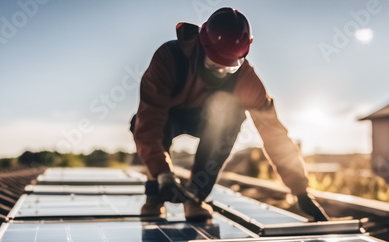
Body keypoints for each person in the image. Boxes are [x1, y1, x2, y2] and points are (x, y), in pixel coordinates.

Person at [132, 7, 329, 221]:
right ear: (201, 44)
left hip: (211, 122)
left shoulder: (246, 79)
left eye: (229, 68)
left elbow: (274, 134)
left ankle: (196, 197)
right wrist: (163, 174)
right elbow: (149, 119)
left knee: (233, 118)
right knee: (144, 124)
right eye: (213, 64)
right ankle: (154, 196)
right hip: (170, 117)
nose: (220, 72)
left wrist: (300, 190)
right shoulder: (169, 58)